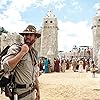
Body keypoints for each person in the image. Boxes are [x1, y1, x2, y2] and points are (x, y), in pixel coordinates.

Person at [2, 25, 41, 100]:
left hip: (32, 92)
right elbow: (6, 67)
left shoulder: (34, 53)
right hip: (20, 94)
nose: (28, 37)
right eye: (26, 34)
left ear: (35, 38)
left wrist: (38, 90)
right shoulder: (16, 49)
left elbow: (35, 74)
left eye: (31, 35)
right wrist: (22, 53)